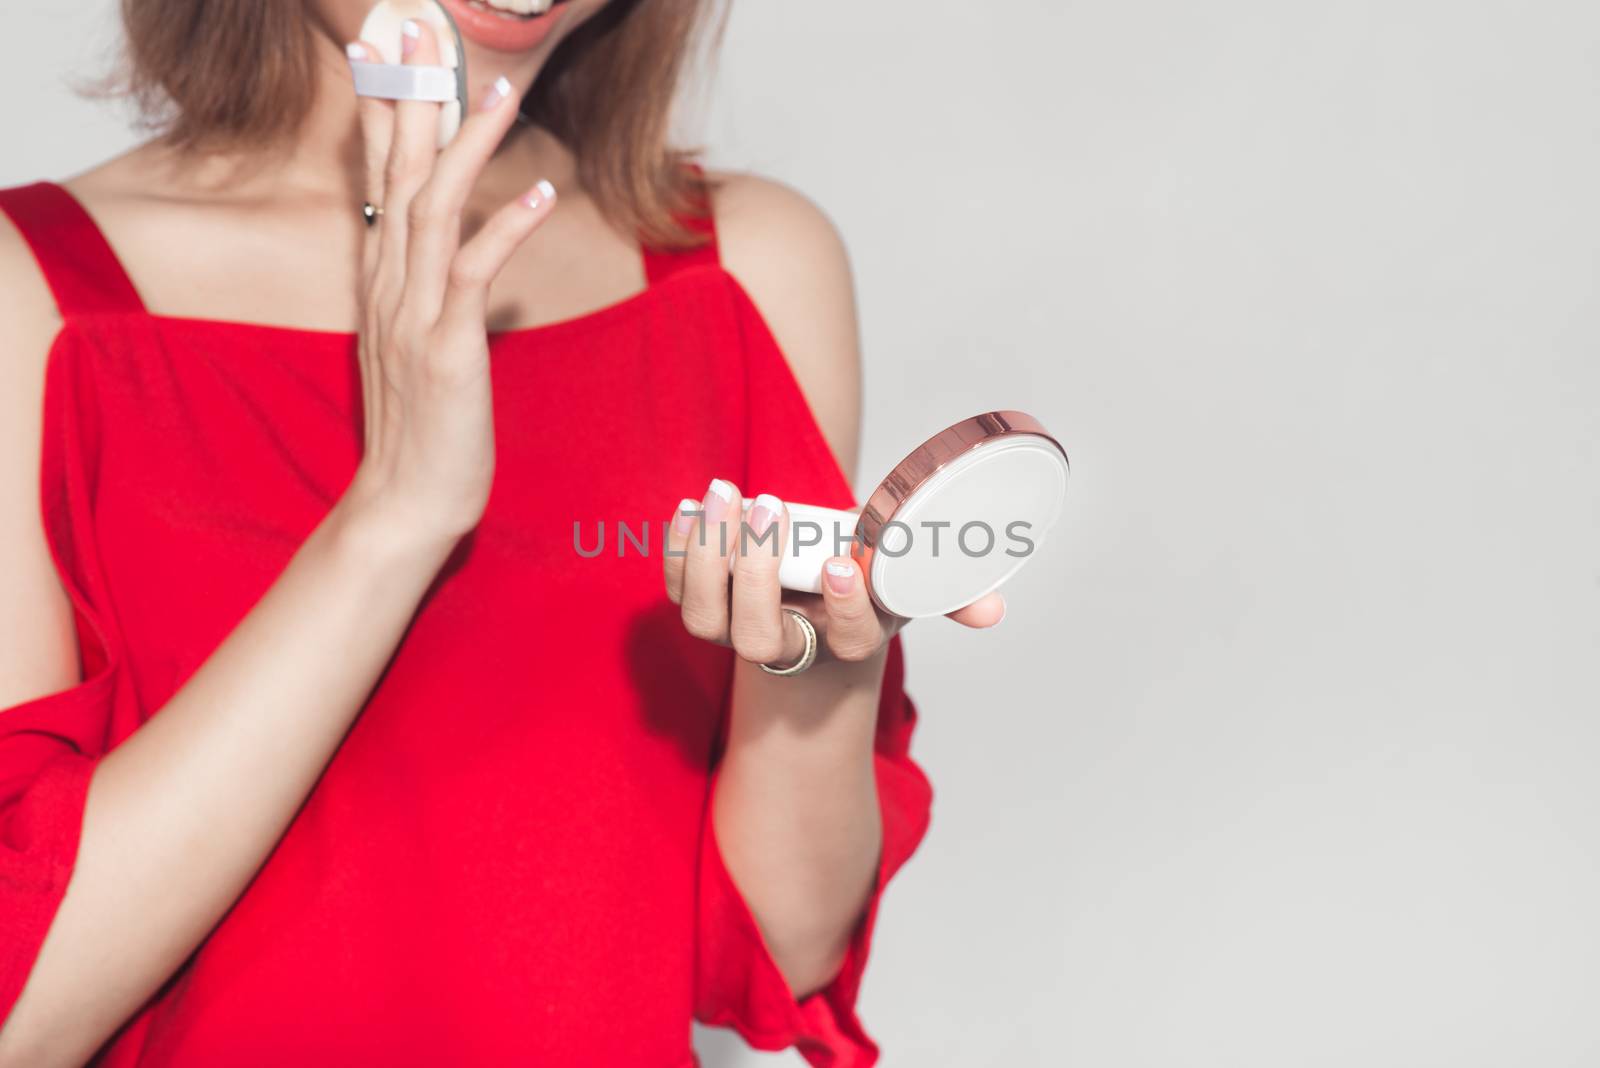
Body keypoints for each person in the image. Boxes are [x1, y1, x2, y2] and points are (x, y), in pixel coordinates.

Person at [0, 1, 1002, 1064]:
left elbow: (780, 949)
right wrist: (394, 516)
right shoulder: (36, 300)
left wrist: (829, 655)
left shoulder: (743, 269)